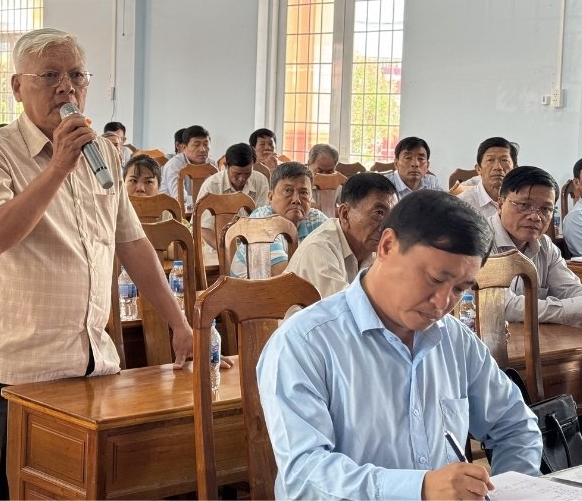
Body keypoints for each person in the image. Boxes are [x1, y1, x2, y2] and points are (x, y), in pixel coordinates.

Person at [0, 28, 195, 499]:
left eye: (76, 75)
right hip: (21, 366)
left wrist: (178, 321)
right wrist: (58, 166)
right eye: (49, 75)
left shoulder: (102, 150)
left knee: (96, 487)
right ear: (17, 87)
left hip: (92, 359)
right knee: (30, 492)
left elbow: (132, 243)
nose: (66, 87)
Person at [258, 189, 542, 500]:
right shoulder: (304, 344)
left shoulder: (454, 339)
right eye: (435, 279)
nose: (442, 303)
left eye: (459, 289)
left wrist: (507, 492)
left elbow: (517, 427)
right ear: (387, 246)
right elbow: (305, 478)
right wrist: (419, 488)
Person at [489, 166, 582, 325]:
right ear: (500, 204)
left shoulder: (545, 245)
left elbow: (568, 289)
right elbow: (503, 307)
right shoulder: (479, 242)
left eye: (545, 209)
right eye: (524, 205)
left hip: (534, 336)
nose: (535, 217)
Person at [285, 172, 397, 299]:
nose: (388, 227)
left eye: (393, 216)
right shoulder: (320, 249)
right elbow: (346, 305)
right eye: (379, 213)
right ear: (345, 214)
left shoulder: (377, 248)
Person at [229, 162, 327, 278]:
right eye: (288, 191)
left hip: (292, 286)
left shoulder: (316, 219)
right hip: (249, 289)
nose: (296, 200)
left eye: (304, 193)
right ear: (271, 197)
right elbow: (284, 274)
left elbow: (338, 255)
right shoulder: (261, 221)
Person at [195, 143, 269, 250]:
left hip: (251, 246)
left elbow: (262, 220)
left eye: (247, 173)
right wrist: (225, 252)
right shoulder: (212, 185)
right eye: (237, 174)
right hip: (216, 247)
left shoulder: (261, 181)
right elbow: (204, 228)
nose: (242, 178)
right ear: (226, 166)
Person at [458, 137, 519, 218]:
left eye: (504, 160)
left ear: (515, 169)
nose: (497, 167)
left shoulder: (522, 201)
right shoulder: (462, 204)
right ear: (479, 169)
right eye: (490, 160)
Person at [160, 124, 216, 211]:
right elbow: (179, 199)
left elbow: (218, 194)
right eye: (196, 145)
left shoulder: (212, 164)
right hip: (172, 214)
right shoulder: (174, 164)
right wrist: (206, 201)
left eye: (206, 144)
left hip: (203, 213)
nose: (203, 149)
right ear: (184, 147)